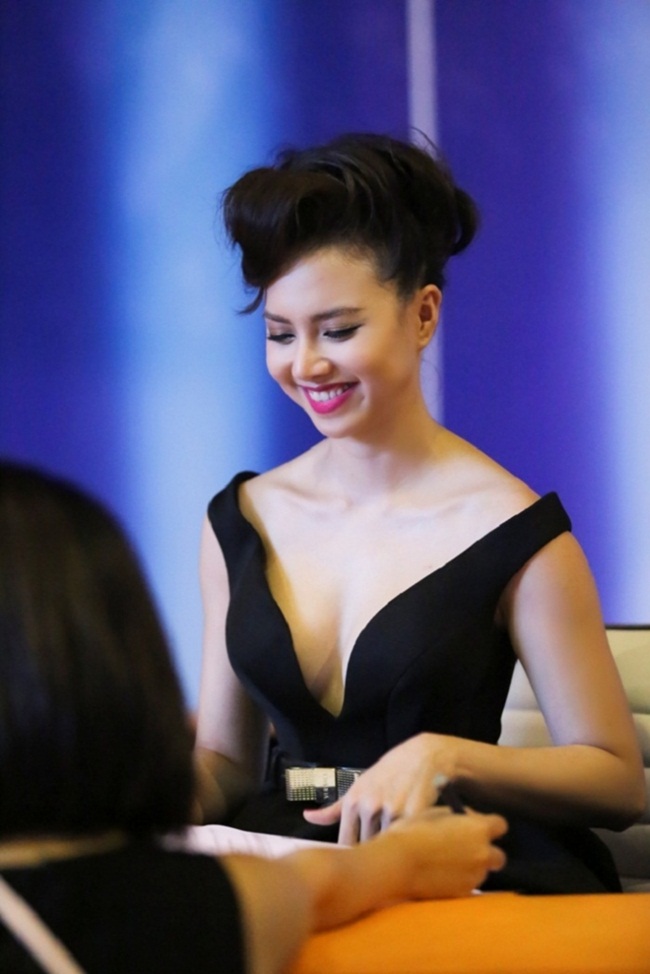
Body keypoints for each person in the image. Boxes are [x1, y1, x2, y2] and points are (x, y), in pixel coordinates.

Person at [194, 132, 646, 894]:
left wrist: (445, 755)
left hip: (460, 865)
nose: (306, 364)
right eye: (280, 335)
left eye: (339, 330)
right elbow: (226, 763)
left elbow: (619, 781)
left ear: (424, 313)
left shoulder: (515, 531)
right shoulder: (240, 521)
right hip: (291, 860)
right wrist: (133, 799)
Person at [0, 461, 508, 974]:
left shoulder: (506, 521)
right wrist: (401, 860)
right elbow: (311, 883)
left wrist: (442, 761)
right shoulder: (186, 910)